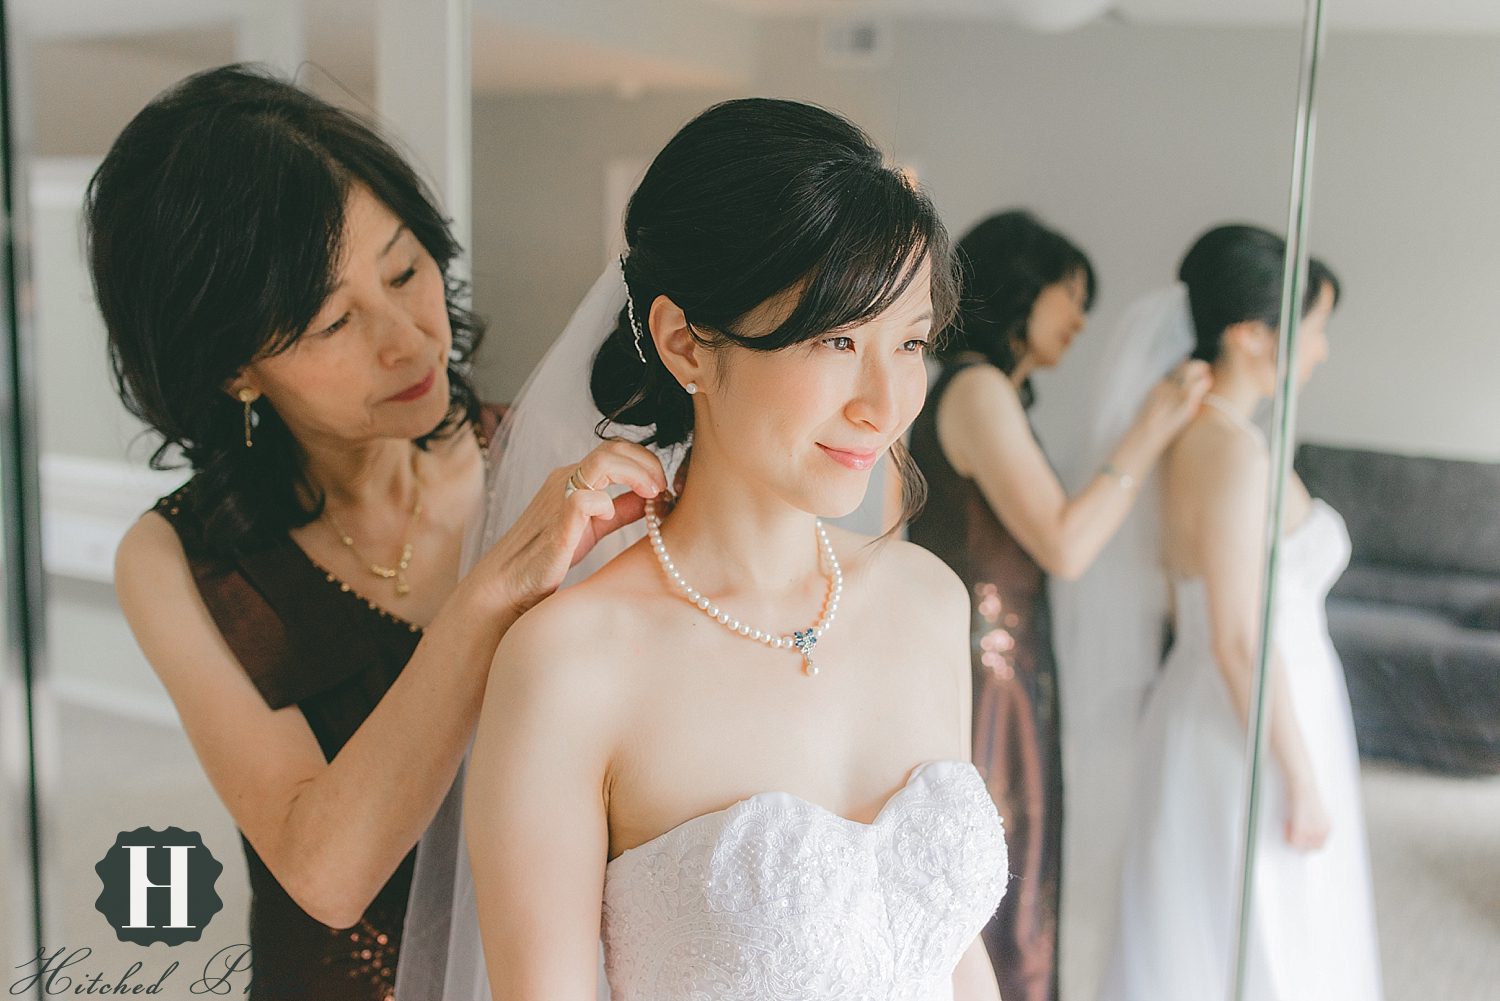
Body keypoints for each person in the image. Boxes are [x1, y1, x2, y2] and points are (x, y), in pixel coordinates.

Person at [91, 64, 665, 1000]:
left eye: (405, 270)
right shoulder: (179, 559)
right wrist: (492, 591)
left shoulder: (560, 461)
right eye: (331, 323)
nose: (408, 338)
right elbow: (326, 872)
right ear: (235, 366)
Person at [440, 98, 1009, 1000]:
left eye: (908, 341)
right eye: (835, 339)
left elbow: (948, 953)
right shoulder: (571, 665)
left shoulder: (926, 599)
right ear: (685, 344)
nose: (883, 400)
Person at [904, 210, 1210, 1001]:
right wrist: (1145, 432)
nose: (1078, 319)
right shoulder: (975, 388)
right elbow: (1066, 544)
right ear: (1020, 291)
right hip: (985, 668)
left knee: (1022, 869)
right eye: (1067, 297)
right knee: (997, 880)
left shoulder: (991, 391)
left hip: (1007, 658)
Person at [1100, 225, 1383, 999]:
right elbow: (1235, 640)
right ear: (1252, 334)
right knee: (1256, 935)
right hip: (1244, 719)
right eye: (1316, 328)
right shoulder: (1229, 451)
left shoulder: (1215, 436)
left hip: (1245, 704)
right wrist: (1300, 775)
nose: (1322, 349)